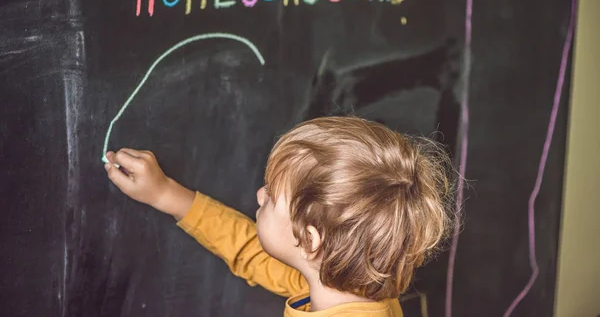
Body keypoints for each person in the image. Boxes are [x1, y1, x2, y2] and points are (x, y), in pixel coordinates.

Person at [104, 116, 455, 316]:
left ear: (310, 240)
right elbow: (253, 252)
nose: (259, 195)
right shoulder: (352, 284)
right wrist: (168, 195)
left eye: (271, 197)